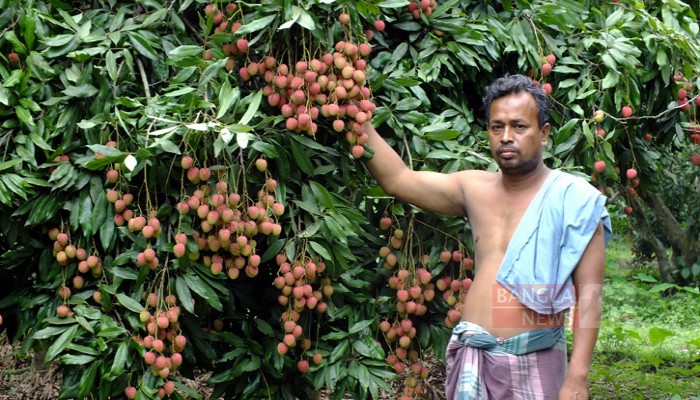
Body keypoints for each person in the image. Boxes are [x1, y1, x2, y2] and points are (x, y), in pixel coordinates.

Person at [363, 74, 611, 400]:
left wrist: (577, 378)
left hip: (536, 359)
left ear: (545, 134)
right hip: (472, 355)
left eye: (519, 127)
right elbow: (397, 179)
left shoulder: (575, 200)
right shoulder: (473, 189)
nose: (506, 137)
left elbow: (589, 297)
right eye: (497, 127)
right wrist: (358, 118)